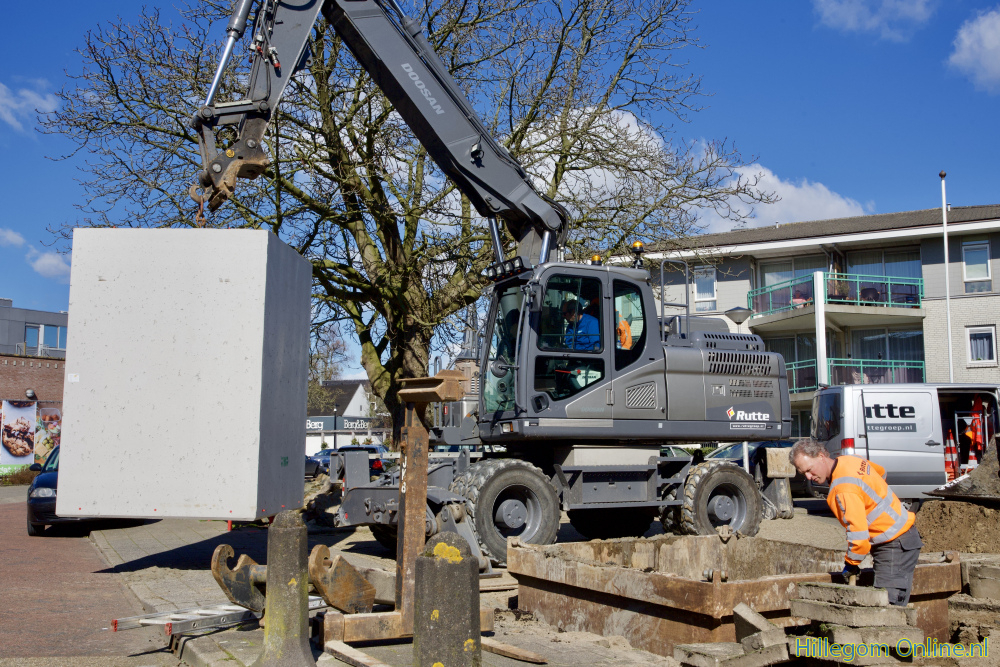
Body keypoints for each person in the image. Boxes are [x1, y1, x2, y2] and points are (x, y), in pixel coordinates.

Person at [790, 438, 923, 606]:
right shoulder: (851, 460)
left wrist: (851, 563)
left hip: (894, 544)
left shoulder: (843, 488)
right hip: (901, 537)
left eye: (809, 470)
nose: (809, 477)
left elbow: (859, 538)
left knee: (889, 609)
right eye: (804, 474)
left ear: (821, 456)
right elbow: (881, 472)